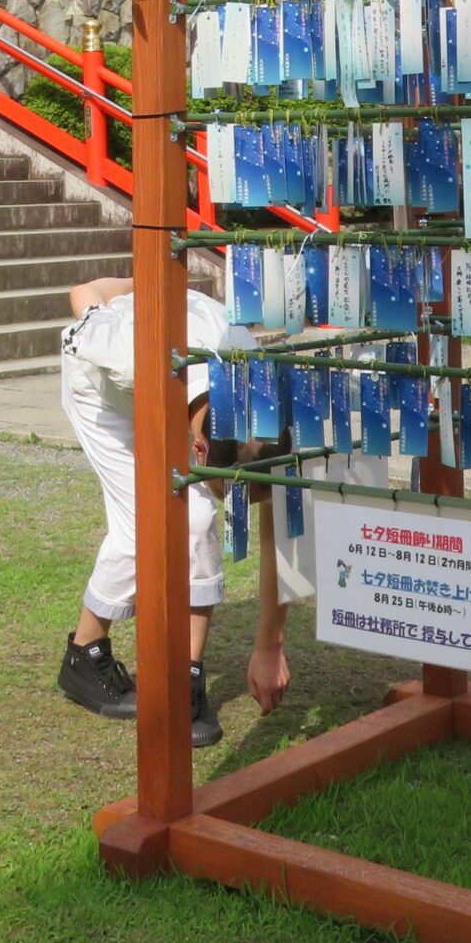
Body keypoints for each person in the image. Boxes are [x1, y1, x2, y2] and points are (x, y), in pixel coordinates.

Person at [53, 276, 290, 749]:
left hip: (180, 383)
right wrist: (140, 281)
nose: (240, 509)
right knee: (140, 527)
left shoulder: (262, 394)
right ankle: (84, 653)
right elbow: (82, 293)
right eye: (236, 496)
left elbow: (278, 528)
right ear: (199, 448)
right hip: (105, 395)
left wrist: (270, 646)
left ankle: (185, 677)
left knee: (199, 518)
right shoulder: (123, 347)